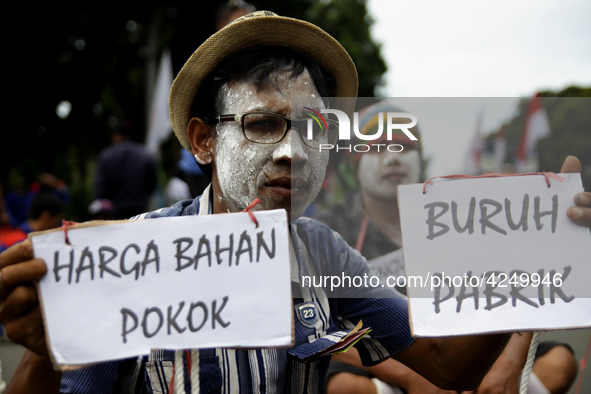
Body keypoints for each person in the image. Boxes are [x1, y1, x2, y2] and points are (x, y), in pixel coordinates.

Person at [0, 11, 589, 393]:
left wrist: (534, 260)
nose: (293, 153)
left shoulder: (324, 255)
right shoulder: (130, 260)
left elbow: (447, 363)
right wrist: (42, 355)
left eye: (312, 130)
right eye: (261, 125)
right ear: (205, 141)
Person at [316, 101, 579, 394]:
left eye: (404, 147)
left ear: (421, 158)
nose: (392, 158)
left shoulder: (458, 214)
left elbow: (512, 282)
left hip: (464, 354)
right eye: (377, 149)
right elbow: (322, 331)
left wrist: (508, 366)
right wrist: (412, 377)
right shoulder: (328, 230)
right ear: (355, 161)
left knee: (561, 362)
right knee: (343, 386)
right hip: (390, 365)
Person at [94, 121, 158, 220]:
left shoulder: (106, 156)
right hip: (140, 212)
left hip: (114, 215)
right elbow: (153, 183)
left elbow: (100, 190)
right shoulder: (146, 154)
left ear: (116, 135)